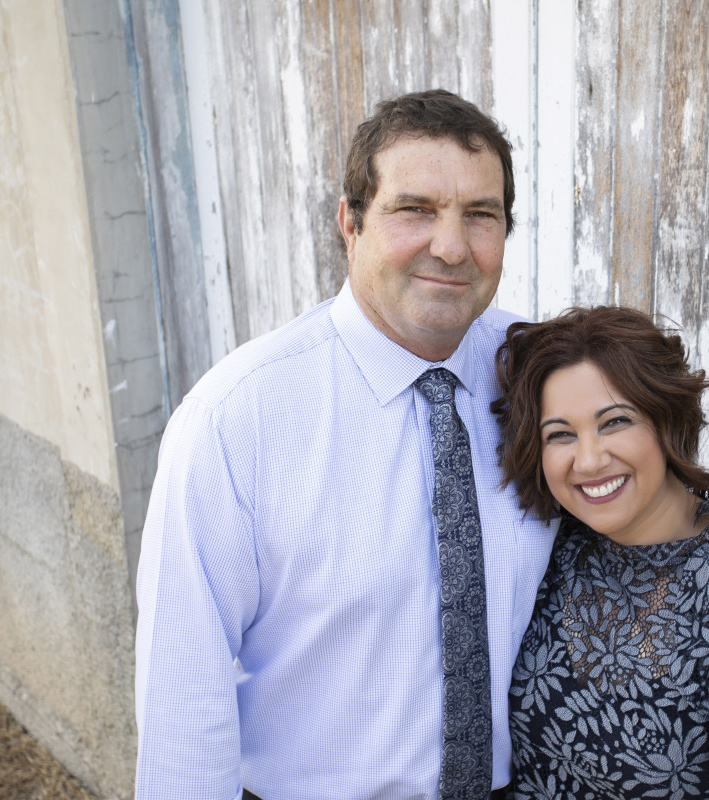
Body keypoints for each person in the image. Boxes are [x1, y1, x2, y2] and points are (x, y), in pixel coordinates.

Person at [134, 89, 554, 800]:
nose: (451, 247)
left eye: (480, 216)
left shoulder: (542, 377)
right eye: (414, 210)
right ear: (350, 223)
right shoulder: (237, 421)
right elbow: (182, 693)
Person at [492, 306, 709, 799]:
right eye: (561, 434)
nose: (588, 460)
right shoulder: (545, 550)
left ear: (667, 419)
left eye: (614, 422)